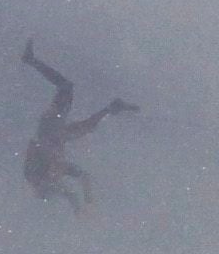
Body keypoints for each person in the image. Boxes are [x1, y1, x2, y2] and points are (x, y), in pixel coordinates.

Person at [19, 41, 137, 210]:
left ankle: (30, 60)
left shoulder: (33, 173)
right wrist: (86, 203)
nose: (55, 177)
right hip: (59, 135)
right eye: (55, 180)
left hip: (51, 128)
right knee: (88, 126)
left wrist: (50, 153)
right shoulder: (57, 174)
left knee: (66, 88)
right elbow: (80, 182)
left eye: (50, 179)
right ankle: (113, 107)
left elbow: (37, 147)